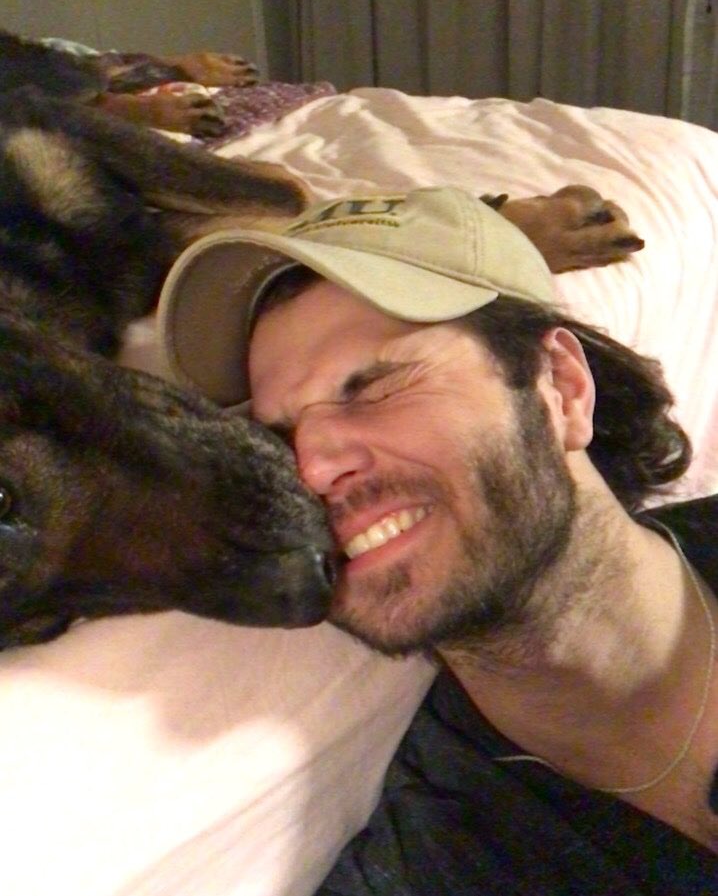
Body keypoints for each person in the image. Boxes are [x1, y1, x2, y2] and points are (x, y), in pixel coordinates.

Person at [157, 186, 718, 894]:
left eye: (373, 386)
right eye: (278, 439)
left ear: (562, 387)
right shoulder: (435, 860)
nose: (311, 469)